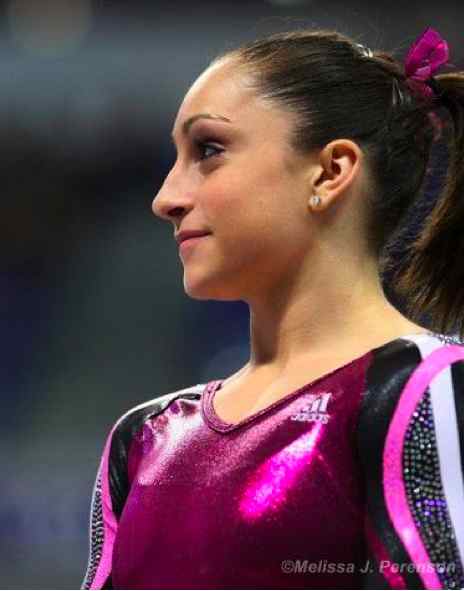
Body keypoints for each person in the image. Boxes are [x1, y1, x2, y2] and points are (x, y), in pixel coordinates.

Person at [81, 27, 464, 589]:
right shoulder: (144, 436)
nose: (165, 199)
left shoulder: (423, 387)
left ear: (331, 171)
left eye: (208, 150)